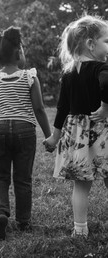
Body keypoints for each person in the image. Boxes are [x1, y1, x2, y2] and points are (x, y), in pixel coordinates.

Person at [0, 26, 51, 241]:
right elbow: (39, 109)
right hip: (24, 130)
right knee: (23, 178)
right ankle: (24, 221)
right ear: (19, 52)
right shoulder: (30, 77)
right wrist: (49, 136)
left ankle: (1, 213)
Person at [43, 15, 108, 238]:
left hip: (76, 134)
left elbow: (62, 108)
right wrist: (105, 107)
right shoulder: (102, 67)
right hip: (101, 132)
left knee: (80, 186)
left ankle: (80, 229)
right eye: (106, 41)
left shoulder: (69, 74)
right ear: (91, 44)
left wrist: (54, 137)